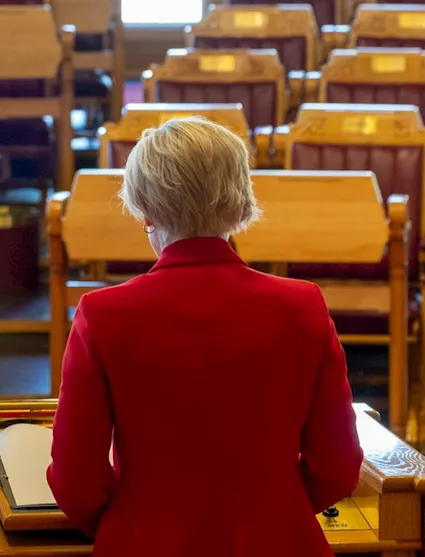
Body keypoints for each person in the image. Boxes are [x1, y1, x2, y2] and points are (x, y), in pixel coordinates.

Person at [47, 116, 363, 556]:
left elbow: (76, 480)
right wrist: (272, 511)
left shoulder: (104, 314)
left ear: (146, 211)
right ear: (240, 201)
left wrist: (131, 523)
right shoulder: (300, 305)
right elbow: (338, 465)